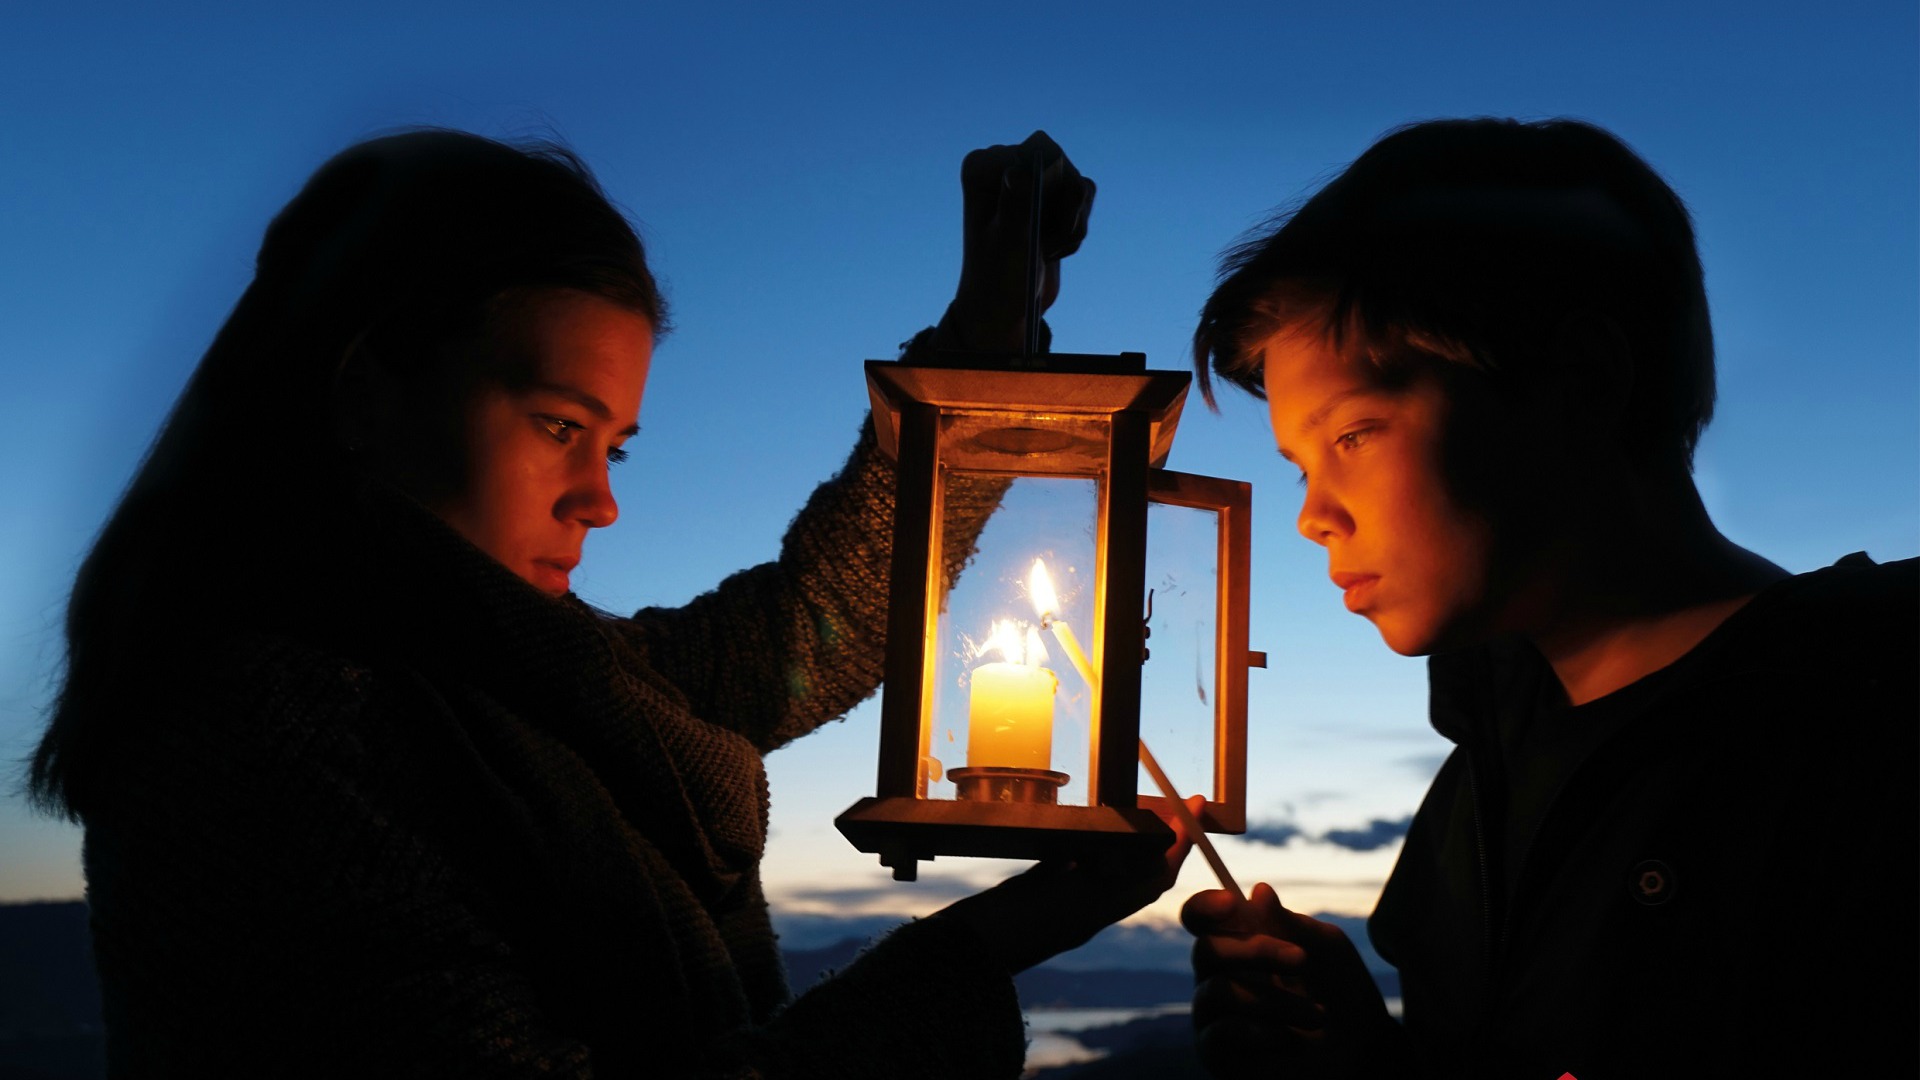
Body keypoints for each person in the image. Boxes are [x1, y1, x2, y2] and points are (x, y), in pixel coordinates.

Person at [27, 127, 1195, 1077]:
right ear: (367, 385)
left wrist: (983, 350)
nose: (599, 502)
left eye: (617, 449)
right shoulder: (262, 734)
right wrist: (972, 957)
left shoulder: (522, 668)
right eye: (558, 427)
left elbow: (802, 635)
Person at [1179, 117, 1917, 1079]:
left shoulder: (1867, 735)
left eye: (1355, 433)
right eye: (1298, 465)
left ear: (1580, 380)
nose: (1313, 516)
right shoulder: (1478, 784)